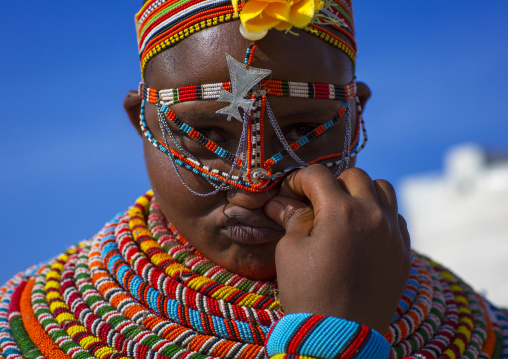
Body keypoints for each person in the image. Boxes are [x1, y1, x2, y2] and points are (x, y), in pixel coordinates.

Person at [0, 1, 506, 358]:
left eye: (305, 128)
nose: (253, 181)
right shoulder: (19, 328)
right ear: (142, 123)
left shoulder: (487, 332)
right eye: (204, 132)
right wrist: (338, 334)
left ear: (357, 113)